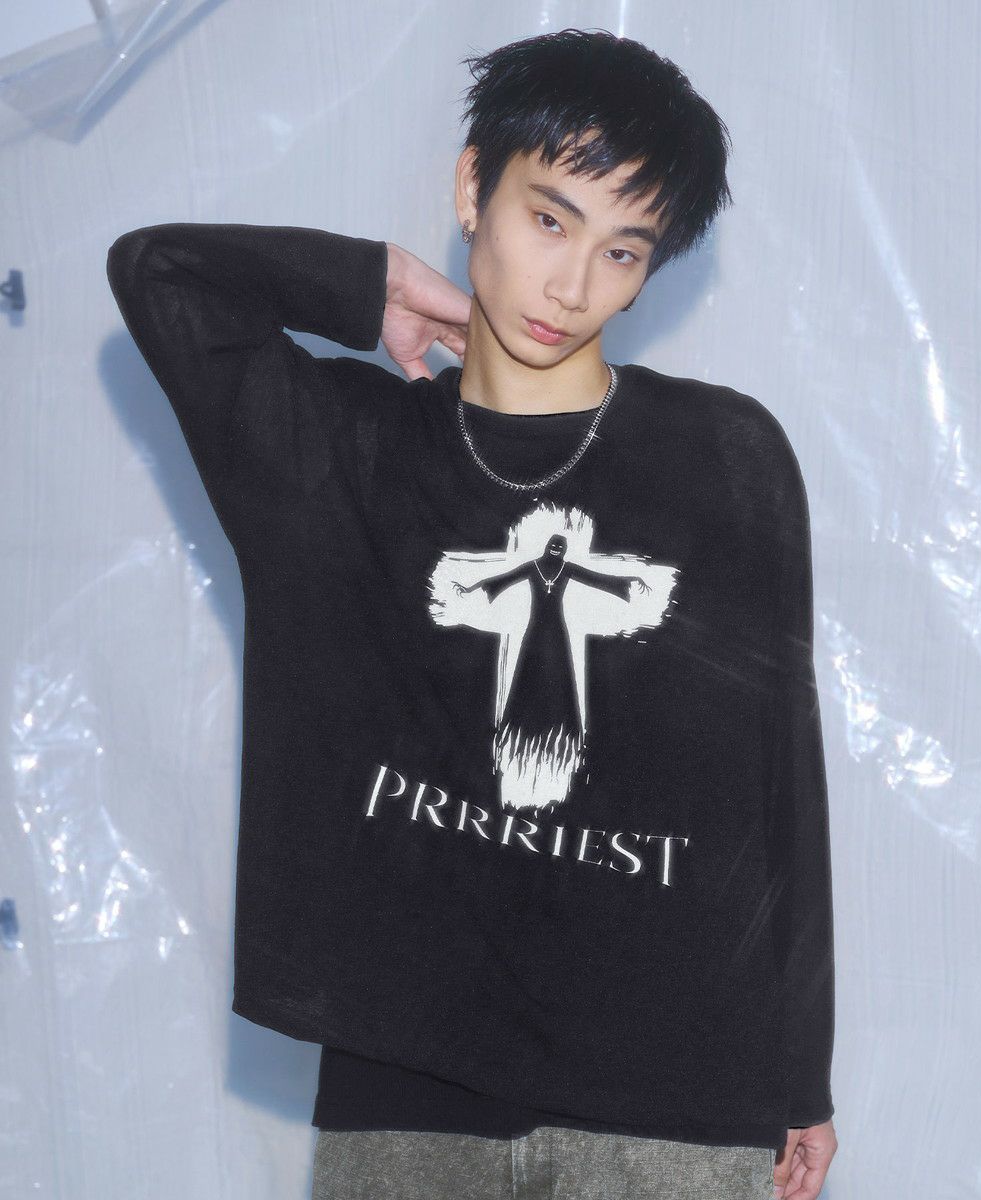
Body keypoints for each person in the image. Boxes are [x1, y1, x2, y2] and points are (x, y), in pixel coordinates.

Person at [106, 26, 837, 1200]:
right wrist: (377, 286)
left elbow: (776, 778)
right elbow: (158, 274)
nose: (572, 286)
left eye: (622, 250)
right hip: (409, 1095)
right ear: (471, 188)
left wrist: (798, 1072)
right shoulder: (343, 453)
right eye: (548, 218)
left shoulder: (723, 454)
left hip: (671, 1099)